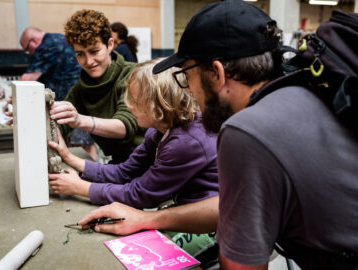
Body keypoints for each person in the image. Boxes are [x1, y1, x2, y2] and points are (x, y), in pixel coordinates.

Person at [78, 1, 358, 270]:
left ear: (217, 73)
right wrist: (146, 218)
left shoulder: (247, 131)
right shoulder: (303, 95)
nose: (186, 90)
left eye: (186, 76)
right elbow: (228, 204)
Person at [48, 58, 218, 209]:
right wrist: (70, 158)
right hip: (181, 205)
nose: (128, 106)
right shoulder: (158, 131)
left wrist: (81, 188)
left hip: (205, 224)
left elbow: (141, 195)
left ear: (160, 104)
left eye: (135, 101)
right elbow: (125, 172)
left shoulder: (186, 142)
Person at [50, 9, 145, 164]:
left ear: (110, 44)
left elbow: (125, 126)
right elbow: (59, 125)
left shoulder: (133, 75)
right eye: (80, 54)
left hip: (150, 161)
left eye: (94, 51)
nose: (88, 61)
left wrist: (80, 120)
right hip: (119, 162)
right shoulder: (82, 88)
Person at [19, 26, 81, 101]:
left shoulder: (45, 47)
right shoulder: (60, 37)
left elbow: (26, 81)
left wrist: (11, 100)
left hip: (64, 98)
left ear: (33, 42)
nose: (29, 54)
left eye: (27, 50)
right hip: (77, 93)